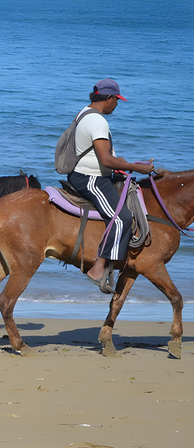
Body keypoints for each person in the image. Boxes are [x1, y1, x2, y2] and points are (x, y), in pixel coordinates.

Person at [66, 78, 154, 293]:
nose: (117, 105)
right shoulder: (97, 121)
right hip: (91, 178)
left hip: (90, 173)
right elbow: (105, 160)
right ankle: (98, 267)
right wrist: (137, 167)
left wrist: (125, 164)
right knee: (122, 218)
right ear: (108, 98)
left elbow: (103, 155)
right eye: (117, 100)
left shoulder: (84, 113)